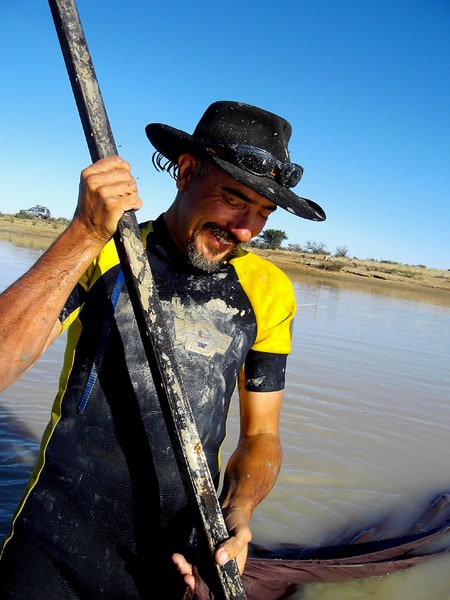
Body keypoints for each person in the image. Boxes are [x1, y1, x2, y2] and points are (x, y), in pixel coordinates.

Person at [0, 100, 325, 598]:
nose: (245, 229)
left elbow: (261, 435)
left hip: (180, 561)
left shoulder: (269, 290)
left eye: (262, 213)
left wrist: (237, 515)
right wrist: (83, 232)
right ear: (186, 171)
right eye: (234, 200)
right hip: (54, 544)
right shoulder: (104, 252)